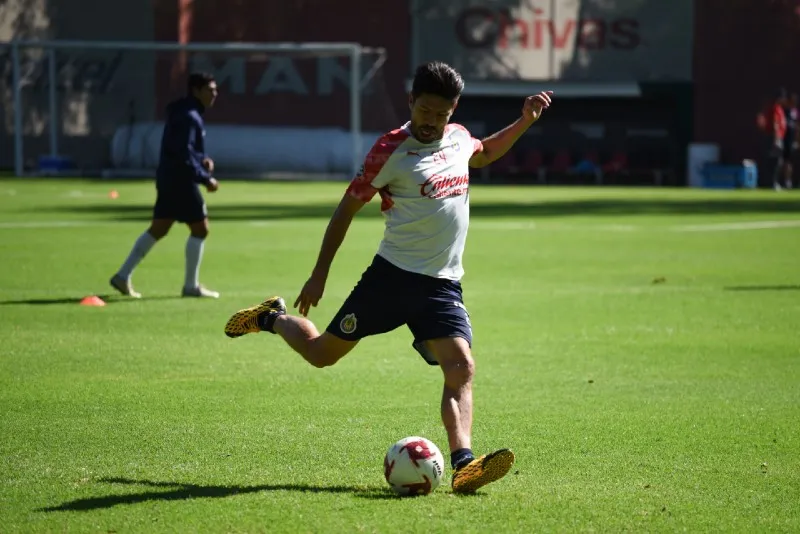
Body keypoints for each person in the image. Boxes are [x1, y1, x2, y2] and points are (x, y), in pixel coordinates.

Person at [224, 61, 552, 493]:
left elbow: (486, 153)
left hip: (441, 285)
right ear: (411, 101)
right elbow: (346, 209)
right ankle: (271, 317)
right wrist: (319, 274)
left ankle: (464, 465)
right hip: (390, 280)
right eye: (425, 110)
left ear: (453, 110)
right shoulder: (389, 151)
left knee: (461, 366)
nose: (432, 121)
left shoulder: (457, 137)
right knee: (322, 355)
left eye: (441, 113)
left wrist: (525, 121)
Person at [110, 72, 220, 298]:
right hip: (181, 181)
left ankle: (122, 275)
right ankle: (190, 286)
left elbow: (186, 149)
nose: (214, 94)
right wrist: (205, 178)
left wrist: (202, 159)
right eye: (210, 90)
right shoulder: (189, 116)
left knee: (159, 228)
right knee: (200, 229)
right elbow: (182, 154)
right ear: (196, 90)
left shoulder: (185, 112)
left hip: (169, 178)